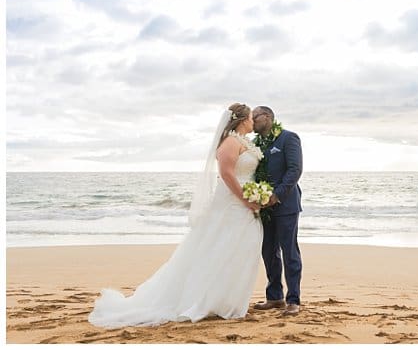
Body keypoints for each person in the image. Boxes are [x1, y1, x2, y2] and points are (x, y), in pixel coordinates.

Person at [88, 103, 263, 328]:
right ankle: (209, 301)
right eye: (251, 118)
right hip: (232, 203)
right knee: (221, 249)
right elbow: (227, 174)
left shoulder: (244, 142)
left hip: (243, 203)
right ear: (242, 120)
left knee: (237, 250)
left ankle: (226, 300)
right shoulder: (230, 142)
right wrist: (245, 199)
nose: (253, 121)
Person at [251, 106, 303, 316]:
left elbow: (295, 170)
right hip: (264, 207)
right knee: (268, 251)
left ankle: (293, 300)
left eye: (255, 117)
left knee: (289, 252)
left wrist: (276, 195)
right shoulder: (255, 144)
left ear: (267, 117)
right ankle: (274, 297)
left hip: (286, 204)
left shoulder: (288, 138)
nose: (252, 121)